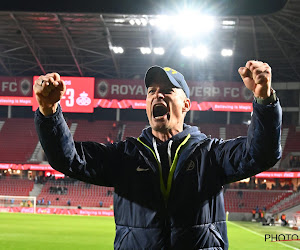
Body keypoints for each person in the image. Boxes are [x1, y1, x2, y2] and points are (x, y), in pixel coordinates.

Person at [33, 61, 281, 249]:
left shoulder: (211, 154)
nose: (157, 95)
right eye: (151, 91)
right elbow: (68, 158)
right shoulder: (126, 156)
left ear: (186, 105)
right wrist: (48, 112)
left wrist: (265, 99)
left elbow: (261, 154)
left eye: (168, 90)